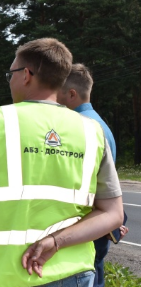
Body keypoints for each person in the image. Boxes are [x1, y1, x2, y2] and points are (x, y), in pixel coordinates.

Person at [0, 38, 124, 287]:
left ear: (26, 75)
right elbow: (113, 214)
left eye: (10, 73)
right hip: (76, 273)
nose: (10, 80)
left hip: (9, 275)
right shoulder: (92, 131)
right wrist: (56, 242)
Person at [56, 63, 129, 287]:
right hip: (97, 225)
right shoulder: (99, 125)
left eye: (58, 92)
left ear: (71, 94)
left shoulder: (82, 128)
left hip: (88, 227)